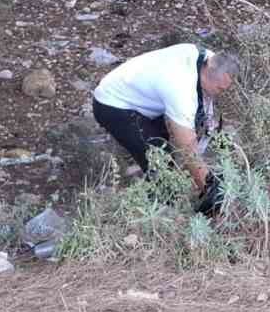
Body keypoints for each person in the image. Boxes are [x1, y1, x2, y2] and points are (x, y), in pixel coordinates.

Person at [91, 44, 239, 212]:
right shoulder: (180, 89)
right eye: (220, 89)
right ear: (209, 76)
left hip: (139, 94)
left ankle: (162, 194)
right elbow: (188, 147)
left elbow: (206, 113)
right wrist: (210, 187)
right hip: (113, 105)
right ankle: (162, 213)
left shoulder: (210, 60)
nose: (221, 93)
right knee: (160, 163)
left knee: (162, 146)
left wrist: (225, 149)